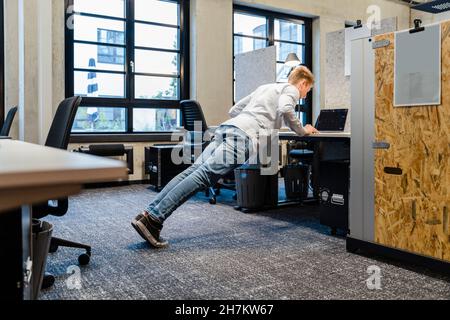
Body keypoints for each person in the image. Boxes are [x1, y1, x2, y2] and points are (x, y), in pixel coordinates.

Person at [131, 65, 319, 248]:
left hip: (229, 128)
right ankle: (155, 219)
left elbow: (234, 110)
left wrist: (265, 123)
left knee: (193, 171)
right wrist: (303, 131)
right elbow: (286, 109)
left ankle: (148, 213)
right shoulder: (292, 90)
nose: (305, 95)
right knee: (203, 176)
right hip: (243, 137)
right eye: (307, 90)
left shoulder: (267, 87)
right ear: (302, 83)